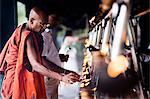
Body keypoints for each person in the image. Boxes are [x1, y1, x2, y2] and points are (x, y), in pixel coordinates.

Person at [0, 6, 80, 99]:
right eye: (42, 24)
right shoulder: (27, 35)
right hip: (15, 80)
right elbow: (36, 65)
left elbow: (42, 60)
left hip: (23, 79)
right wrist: (62, 78)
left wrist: (65, 72)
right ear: (32, 21)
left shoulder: (35, 35)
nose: (44, 28)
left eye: (46, 25)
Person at [41, 14, 69, 99]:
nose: (56, 22)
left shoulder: (48, 33)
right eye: (53, 18)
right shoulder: (44, 36)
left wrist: (58, 57)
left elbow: (48, 55)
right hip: (49, 75)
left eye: (57, 19)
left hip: (53, 76)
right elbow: (43, 60)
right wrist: (64, 71)